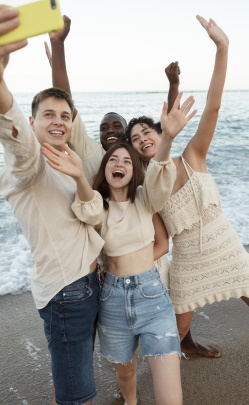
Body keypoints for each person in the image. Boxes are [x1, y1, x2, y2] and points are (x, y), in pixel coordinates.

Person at [126, 15, 249, 357]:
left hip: (227, 248)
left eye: (147, 131)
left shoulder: (192, 156)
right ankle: (162, 373)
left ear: (161, 134)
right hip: (187, 262)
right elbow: (161, 242)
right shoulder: (146, 191)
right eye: (134, 138)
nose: (142, 138)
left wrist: (222, 46)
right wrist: (123, 266)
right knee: (176, 333)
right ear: (133, 151)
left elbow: (213, 106)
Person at [41, 92, 196, 405]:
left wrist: (166, 138)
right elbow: (89, 206)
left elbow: (159, 178)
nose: (120, 163)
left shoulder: (144, 199)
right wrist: (76, 174)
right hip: (111, 300)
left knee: (169, 387)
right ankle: (131, 401)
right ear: (105, 167)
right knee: (125, 374)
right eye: (113, 159)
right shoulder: (101, 208)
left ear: (133, 169)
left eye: (127, 159)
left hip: (152, 297)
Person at [0, 7, 105, 405]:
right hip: (67, 292)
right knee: (79, 395)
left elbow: (92, 216)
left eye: (65, 115)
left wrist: (80, 177)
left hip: (86, 284)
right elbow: (14, 138)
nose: (58, 121)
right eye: (48, 115)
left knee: (70, 378)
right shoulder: (29, 166)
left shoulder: (66, 162)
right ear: (33, 122)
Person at [45, 15, 172, 287]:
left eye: (117, 125)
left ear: (127, 134)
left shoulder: (138, 160)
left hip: (149, 260)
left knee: (173, 324)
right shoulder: (90, 153)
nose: (110, 130)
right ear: (98, 133)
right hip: (109, 259)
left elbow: (168, 131)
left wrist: (173, 88)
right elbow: (66, 101)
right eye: (104, 127)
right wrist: (58, 47)